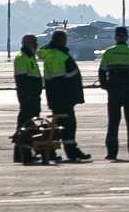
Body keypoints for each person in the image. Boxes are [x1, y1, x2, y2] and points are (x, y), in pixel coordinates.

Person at [38, 30, 91, 161]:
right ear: (61, 40)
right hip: (62, 98)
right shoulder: (57, 55)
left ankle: (64, 150)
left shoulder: (56, 54)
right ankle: (65, 150)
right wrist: (65, 96)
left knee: (63, 125)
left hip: (61, 98)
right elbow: (58, 80)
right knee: (66, 125)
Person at [99, 26, 129, 161]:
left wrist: (106, 86)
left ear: (115, 37)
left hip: (113, 93)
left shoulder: (108, 53)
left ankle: (112, 153)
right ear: (127, 37)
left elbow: (102, 72)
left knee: (113, 123)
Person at [13, 34, 42, 163]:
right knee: (25, 125)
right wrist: (28, 96)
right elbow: (22, 80)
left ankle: (25, 152)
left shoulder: (30, 57)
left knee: (29, 125)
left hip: (34, 97)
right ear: (27, 43)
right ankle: (21, 153)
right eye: (34, 42)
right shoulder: (22, 57)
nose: (36, 44)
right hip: (28, 98)